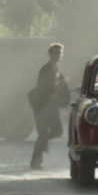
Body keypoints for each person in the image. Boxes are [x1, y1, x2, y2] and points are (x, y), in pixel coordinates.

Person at [27, 42, 71, 170]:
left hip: (52, 106)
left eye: (60, 53)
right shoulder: (45, 69)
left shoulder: (57, 68)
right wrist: (55, 87)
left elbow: (60, 89)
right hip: (41, 106)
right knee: (43, 134)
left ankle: (43, 144)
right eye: (56, 52)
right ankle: (35, 162)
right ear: (50, 54)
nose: (59, 55)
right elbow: (42, 87)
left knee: (57, 131)